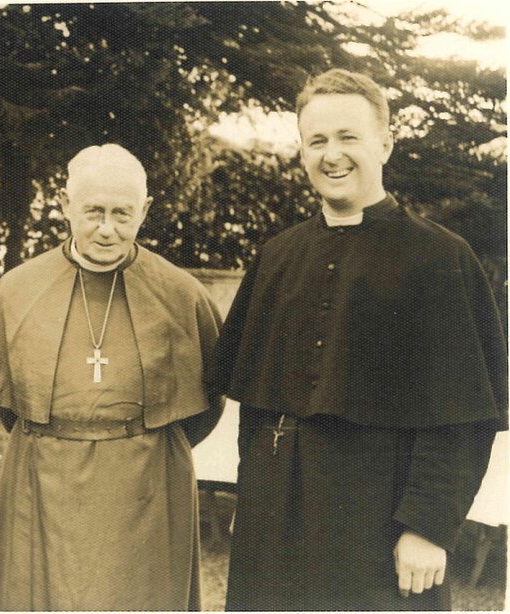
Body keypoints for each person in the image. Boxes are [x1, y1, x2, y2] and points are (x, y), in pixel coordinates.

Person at [212, 68, 508, 610]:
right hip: (275, 513)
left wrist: (428, 526)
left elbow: (465, 416)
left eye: (348, 137)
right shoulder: (277, 256)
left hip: (381, 517)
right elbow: (254, 405)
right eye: (317, 140)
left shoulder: (440, 259)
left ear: (385, 144)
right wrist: (251, 495)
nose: (332, 155)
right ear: (302, 151)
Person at [0, 144, 224, 610]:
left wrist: (135, 440)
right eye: (93, 211)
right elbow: (5, 399)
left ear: (145, 210)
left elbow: (207, 401)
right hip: (39, 474)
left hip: (148, 482)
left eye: (122, 213)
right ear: (65, 205)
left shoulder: (182, 295)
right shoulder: (17, 290)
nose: (106, 228)